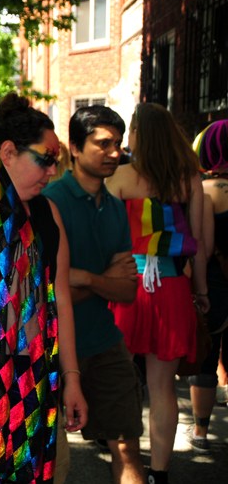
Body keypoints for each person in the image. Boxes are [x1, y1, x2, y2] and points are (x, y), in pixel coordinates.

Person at [0, 93, 87, 482]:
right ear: (7, 152)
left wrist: (71, 377)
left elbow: (61, 300)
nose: (53, 172)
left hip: (39, 385)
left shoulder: (46, 212)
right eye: (46, 158)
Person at [105, 103, 208, 484]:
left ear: (137, 135)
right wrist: (202, 292)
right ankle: (159, 473)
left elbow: (106, 243)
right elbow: (197, 244)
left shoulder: (120, 177)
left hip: (127, 288)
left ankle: (124, 459)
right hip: (172, 290)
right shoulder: (189, 180)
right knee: (164, 387)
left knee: (119, 377)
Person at [43, 105, 145, 484]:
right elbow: (50, 297)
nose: (115, 153)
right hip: (52, 349)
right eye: (103, 144)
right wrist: (99, 281)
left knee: (127, 447)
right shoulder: (50, 201)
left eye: (118, 144)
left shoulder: (116, 207)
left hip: (105, 343)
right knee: (49, 461)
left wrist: (83, 278)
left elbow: (128, 290)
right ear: (75, 147)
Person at [188, 119, 228, 452]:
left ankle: (201, 432)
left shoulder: (207, 191)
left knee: (207, 359)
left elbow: (206, 245)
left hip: (216, 284)